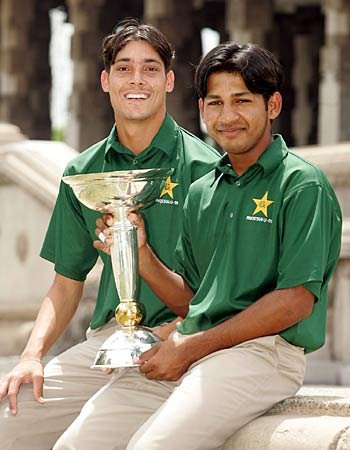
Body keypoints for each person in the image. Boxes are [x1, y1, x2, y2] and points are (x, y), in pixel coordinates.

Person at [89, 42, 342, 450]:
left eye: (242, 101)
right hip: (195, 343)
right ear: (202, 109)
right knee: (80, 444)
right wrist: (142, 257)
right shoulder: (202, 190)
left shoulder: (301, 184)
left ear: (272, 105)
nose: (227, 117)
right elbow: (191, 300)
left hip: (264, 354)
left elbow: (295, 300)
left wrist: (190, 346)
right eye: (215, 103)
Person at [0, 19, 220, 449]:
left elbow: (221, 291)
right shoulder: (83, 172)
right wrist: (31, 356)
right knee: (9, 424)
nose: (136, 79)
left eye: (150, 68)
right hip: (106, 344)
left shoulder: (205, 168)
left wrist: (176, 334)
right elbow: (66, 283)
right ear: (105, 80)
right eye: (123, 68)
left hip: (179, 340)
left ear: (170, 81)